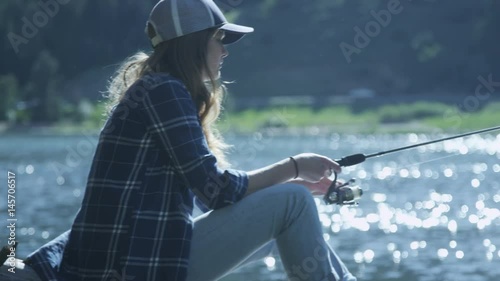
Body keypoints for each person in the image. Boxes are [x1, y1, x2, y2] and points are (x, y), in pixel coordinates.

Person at [12, 0, 357, 280]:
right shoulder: (164, 91)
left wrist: (289, 179)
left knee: (286, 218)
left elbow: (209, 199)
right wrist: (293, 167)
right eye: (219, 39)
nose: (225, 51)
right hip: (129, 268)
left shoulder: (156, 88)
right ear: (194, 42)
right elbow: (218, 191)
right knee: (293, 202)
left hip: (133, 261)